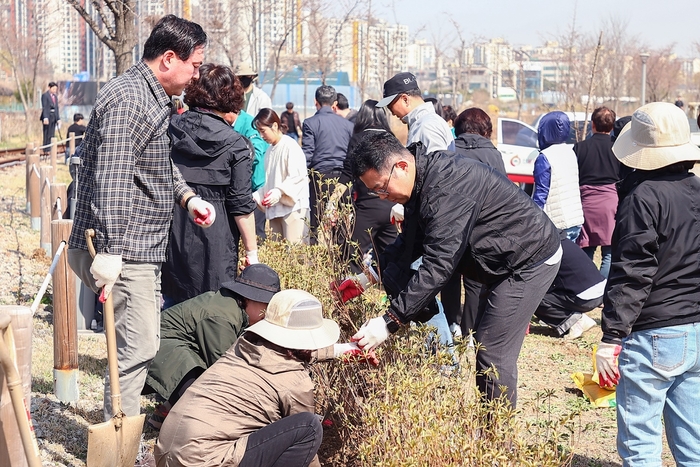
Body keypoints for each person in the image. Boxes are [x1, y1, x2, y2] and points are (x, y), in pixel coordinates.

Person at [67, 15, 212, 421]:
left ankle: (119, 431)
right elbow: (112, 176)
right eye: (194, 65)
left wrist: (186, 198)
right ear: (169, 59)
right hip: (123, 250)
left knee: (141, 345)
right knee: (136, 348)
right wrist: (111, 250)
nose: (195, 76)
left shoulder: (149, 97)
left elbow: (154, 164)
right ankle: (117, 440)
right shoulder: (131, 99)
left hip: (135, 248)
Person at [347, 132, 561, 405]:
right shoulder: (421, 178)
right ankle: (490, 430)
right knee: (485, 343)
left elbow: (439, 264)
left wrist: (390, 321)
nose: (382, 196)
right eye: (375, 192)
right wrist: (371, 274)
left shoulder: (446, 187)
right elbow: (410, 240)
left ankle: (497, 441)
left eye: (381, 187)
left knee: (492, 352)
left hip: (527, 259)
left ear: (401, 166)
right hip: (496, 260)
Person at [594, 102, 700, 466]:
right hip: (696, 330)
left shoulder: (642, 197)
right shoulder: (696, 189)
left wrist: (611, 338)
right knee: (693, 445)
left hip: (655, 332)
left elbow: (632, 271)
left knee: (640, 444)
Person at [154, 289, 366, 467]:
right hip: (204, 461)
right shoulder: (296, 382)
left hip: (167, 452)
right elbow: (307, 452)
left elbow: (290, 353)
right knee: (309, 427)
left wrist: (345, 351)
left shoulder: (244, 345)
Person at [162, 63, 258, 307]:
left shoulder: (169, 129)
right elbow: (241, 206)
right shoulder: (236, 143)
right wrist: (251, 253)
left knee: (171, 312)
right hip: (217, 238)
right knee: (214, 315)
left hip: (171, 233)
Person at [144, 264, 281, 429]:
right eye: (266, 304)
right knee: (207, 392)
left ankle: (167, 412)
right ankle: (176, 422)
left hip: (174, 346)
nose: (267, 312)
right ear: (248, 298)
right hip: (160, 348)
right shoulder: (223, 317)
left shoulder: (233, 307)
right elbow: (225, 371)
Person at [445, 107, 507, 337]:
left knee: (449, 275)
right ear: (485, 130)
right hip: (482, 225)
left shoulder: (449, 151)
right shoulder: (494, 155)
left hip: (452, 223)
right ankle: (469, 330)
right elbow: (502, 193)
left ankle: (452, 323)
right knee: (474, 280)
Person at [335, 99, 397, 272]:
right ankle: (389, 289)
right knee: (390, 253)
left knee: (352, 251)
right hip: (392, 205)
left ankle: (353, 289)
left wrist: (332, 202)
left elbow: (348, 171)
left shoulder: (359, 138)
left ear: (363, 116)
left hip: (367, 206)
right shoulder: (391, 138)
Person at [302, 85, 354, 243]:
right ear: (335, 103)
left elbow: (307, 154)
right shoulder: (348, 125)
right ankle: (341, 260)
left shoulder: (310, 123)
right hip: (344, 180)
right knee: (343, 223)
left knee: (316, 222)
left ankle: (316, 260)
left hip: (320, 178)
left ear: (315, 101)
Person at [573, 106, 620, 278]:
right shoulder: (618, 149)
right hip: (611, 204)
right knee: (609, 252)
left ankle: (589, 289)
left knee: (587, 250)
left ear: (592, 124)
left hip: (586, 204)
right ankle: (602, 292)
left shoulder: (580, 148)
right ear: (612, 127)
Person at [253, 108, 310, 243]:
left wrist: (279, 191)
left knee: (296, 254)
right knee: (279, 254)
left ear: (274, 126)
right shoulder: (269, 151)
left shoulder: (290, 146)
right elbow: (270, 181)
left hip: (294, 209)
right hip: (276, 210)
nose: (262, 136)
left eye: (263, 131)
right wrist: (257, 195)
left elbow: (298, 176)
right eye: (259, 132)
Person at [534, 232, 602, 339]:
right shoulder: (562, 241)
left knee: (531, 296)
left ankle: (573, 321)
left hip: (585, 296)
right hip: (597, 289)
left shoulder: (546, 247)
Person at [533, 111, 584, 242]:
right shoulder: (570, 152)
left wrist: (533, 220)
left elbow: (541, 193)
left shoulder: (545, 157)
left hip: (557, 223)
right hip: (575, 219)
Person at [377, 73, 454, 153]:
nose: (392, 113)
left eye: (390, 106)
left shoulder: (427, 126)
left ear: (405, 99)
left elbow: (439, 164)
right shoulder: (424, 122)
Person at [232, 108, 270, 241]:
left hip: (256, 187)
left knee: (256, 233)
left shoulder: (249, 124)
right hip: (241, 187)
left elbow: (257, 153)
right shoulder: (227, 124)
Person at [40, 82, 60, 154]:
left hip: (53, 116)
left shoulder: (55, 97)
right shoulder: (45, 95)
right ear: (49, 87)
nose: (55, 90)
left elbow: (57, 108)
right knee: (46, 133)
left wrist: (58, 118)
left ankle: (50, 148)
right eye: (53, 88)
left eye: (56, 89)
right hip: (47, 116)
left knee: (52, 133)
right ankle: (46, 148)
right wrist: (45, 117)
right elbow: (45, 107)